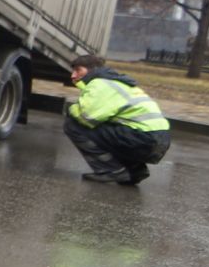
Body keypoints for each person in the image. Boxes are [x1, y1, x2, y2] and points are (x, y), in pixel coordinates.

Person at [64, 53, 171, 185]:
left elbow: (88, 117)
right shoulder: (115, 82)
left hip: (143, 139)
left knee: (74, 125)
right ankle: (134, 170)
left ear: (92, 70)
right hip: (158, 140)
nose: (73, 76)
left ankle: (111, 171)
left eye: (78, 70)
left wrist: (71, 108)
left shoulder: (99, 84)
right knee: (108, 128)